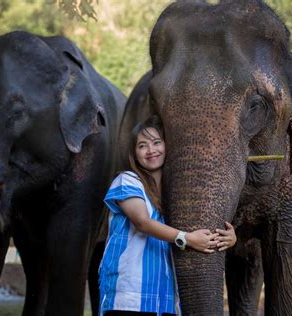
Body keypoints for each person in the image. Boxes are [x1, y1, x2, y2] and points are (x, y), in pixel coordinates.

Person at [99, 115, 237, 316]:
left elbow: (202, 232)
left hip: (165, 299)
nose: (151, 150)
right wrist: (186, 238)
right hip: (129, 296)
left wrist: (229, 238)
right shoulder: (127, 180)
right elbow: (143, 222)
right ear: (134, 154)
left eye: (156, 143)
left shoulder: (176, 195)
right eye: (142, 146)